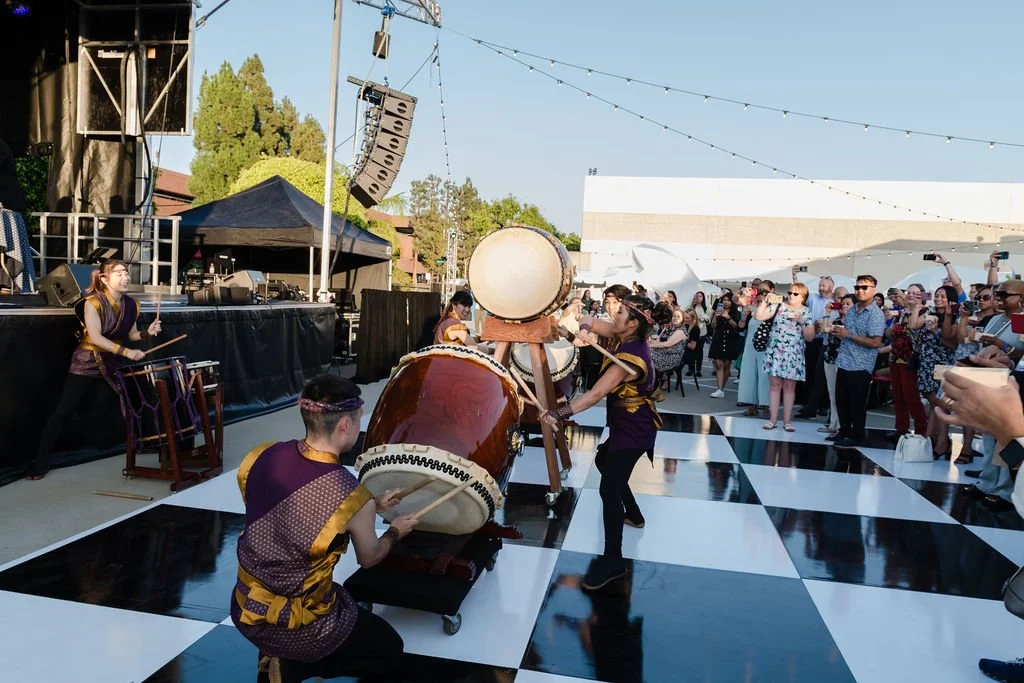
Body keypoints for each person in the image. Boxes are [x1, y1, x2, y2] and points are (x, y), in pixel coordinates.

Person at [232, 375, 419, 683]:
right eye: (359, 419)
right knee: (388, 649)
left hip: (247, 607)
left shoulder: (262, 455)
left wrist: (371, 505)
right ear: (344, 424)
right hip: (303, 626)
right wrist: (395, 531)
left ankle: (272, 659)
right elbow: (369, 559)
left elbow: (290, 513)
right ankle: (296, 665)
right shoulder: (348, 492)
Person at [541, 294, 669, 590]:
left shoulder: (631, 356)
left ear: (633, 323)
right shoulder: (623, 333)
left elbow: (594, 394)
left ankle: (614, 561)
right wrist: (581, 329)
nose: (615, 314)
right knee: (603, 460)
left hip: (636, 429)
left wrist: (558, 413)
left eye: (621, 312)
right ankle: (634, 514)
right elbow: (590, 321)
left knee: (608, 487)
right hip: (625, 424)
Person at [27, 260, 161, 479]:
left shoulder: (132, 304)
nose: (125, 277)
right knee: (63, 410)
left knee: (139, 398)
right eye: (119, 274)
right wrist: (127, 352)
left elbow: (132, 335)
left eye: (126, 273)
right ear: (104, 278)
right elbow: (96, 337)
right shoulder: (92, 303)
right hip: (88, 358)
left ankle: (150, 442)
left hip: (114, 359)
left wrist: (147, 332)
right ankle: (40, 461)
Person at [829, 275, 885, 449]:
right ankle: (845, 430)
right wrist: (839, 332)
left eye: (864, 287)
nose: (860, 291)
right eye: (857, 287)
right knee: (842, 399)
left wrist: (849, 335)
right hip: (845, 360)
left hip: (861, 364)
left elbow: (876, 342)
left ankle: (858, 434)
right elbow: (848, 332)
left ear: (874, 289)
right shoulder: (853, 310)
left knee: (857, 402)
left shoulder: (875, 314)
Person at [757, 283, 817, 431]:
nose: (791, 295)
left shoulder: (806, 312)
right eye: (790, 292)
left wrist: (801, 322)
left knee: (790, 387)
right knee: (774, 385)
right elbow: (759, 316)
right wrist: (766, 301)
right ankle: (772, 420)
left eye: (795, 294)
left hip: (794, 353)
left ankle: (787, 421)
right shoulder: (779, 306)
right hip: (776, 351)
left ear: (803, 297)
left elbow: (810, 337)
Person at [737, 281, 774, 417]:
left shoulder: (772, 310)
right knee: (749, 375)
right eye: (758, 300)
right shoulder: (751, 309)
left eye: (762, 300)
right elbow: (741, 325)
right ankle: (751, 405)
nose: (759, 302)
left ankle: (766, 405)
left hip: (765, 347)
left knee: (764, 377)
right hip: (750, 346)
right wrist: (743, 293)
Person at [707, 293, 741, 398]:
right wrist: (715, 317)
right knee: (718, 364)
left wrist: (728, 317)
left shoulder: (736, 313)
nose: (726, 302)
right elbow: (713, 326)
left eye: (728, 300)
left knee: (727, 365)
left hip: (730, 339)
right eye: (724, 300)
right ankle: (719, 389)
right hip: (719, 338)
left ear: (732, 302)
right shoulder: (718, 311)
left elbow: (737, 326)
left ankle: (722, 388)